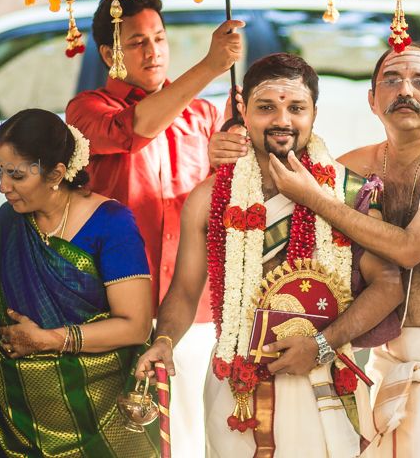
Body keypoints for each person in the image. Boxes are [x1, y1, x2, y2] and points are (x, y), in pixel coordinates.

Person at [240, 43, 420, 457]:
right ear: (372, 100)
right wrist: (231, 146)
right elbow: (279, 159)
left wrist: (319, 199)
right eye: (391, 80)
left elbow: (409, 250)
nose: (406, 89)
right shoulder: (353, 166)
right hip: (397, 360)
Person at [136, 53, 403, 457]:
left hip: (321, 377)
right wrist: (165, 340)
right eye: (266, 107)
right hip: (234, 382)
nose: (282, 120)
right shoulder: (210, 199)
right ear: (242, 111)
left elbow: (388, 286)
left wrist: (322, 345)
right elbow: (185, 291)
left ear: (314, 112)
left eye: (296, 107)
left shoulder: (348, 193)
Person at [0, 109, 157, 457]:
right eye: (0, 172)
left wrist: (50, 340)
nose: (3, 186)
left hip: (97, 409)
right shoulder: (9, 221)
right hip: (16, 409)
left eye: (15, 175)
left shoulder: (111, 224)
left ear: (56, 173)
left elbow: (135, 326)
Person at [66, 0, 243, 456]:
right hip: (116, 308)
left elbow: (228, 196)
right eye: (138, 42)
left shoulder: (203, 115)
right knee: (126, 439)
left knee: (199, 435)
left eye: (160, 39)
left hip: (194, 307)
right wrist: (209, 66)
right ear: (109, 54)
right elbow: (134, 130)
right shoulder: (86, 110)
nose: (154, 52)